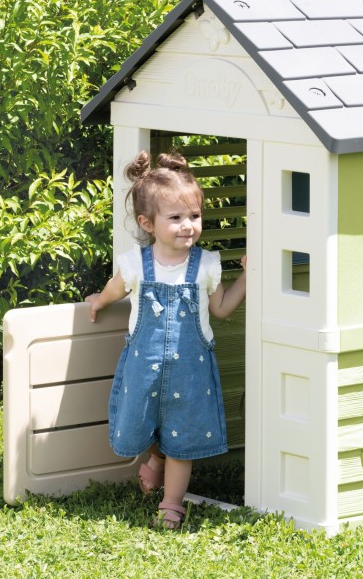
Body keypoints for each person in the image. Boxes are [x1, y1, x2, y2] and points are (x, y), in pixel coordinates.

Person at [87, 151, 247, 529]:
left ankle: (171, 504)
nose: (187, 225)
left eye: (194, 216)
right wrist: (99, 301)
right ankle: (156, 458)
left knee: (183, 437)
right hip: (144, 368)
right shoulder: (136, 264)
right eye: (175, 218)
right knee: (144, 423)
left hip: (191, 372)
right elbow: (114, 289)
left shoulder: (206, 264)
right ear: (148, 223)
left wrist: (248, 276)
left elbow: (221, 308)